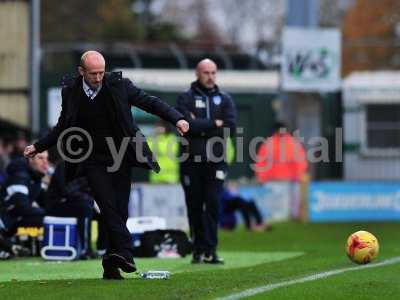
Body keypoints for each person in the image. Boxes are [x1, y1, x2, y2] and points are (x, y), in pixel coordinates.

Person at [24, 51, 189, 279]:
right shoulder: (70, 91)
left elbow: (149, 102)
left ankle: (111, 264)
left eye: (102, 72)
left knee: (120, 210)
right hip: (92, 159)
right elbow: (63, 125)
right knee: (107, 205)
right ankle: (127, 253)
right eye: (93, 73)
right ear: (81, 72)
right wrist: (39, 146)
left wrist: (177, 118)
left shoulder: (119, 85)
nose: (99, 77)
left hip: (120, 154)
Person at [177, 59, 236, 264]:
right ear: (197, 73)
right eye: (206, 72)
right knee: (194, 205)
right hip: (191, 160)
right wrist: (213, 123)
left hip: (216, 161)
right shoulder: (185, 98)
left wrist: (199, 124)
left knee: (212, 204)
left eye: (213, 72)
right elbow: (187, 126)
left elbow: (230, 126)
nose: (210, 76)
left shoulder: (225, 99)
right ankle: (197, 249)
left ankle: (210, 249)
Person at [46, 161, 96, 259]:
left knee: (105, 211)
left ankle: (102, 250)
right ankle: (86, 250)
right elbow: (67, 190)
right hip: (57, 204)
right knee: (85, 208)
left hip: (76, 202)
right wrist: (91, 200)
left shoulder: (90, 165)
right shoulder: (65, 165)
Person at [0, 152, 48, 234]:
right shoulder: (19, 176)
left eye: (46, 158)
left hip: (13, 222)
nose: (45, 162)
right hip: (4, 224)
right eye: (40, 158)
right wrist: (50, 212)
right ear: (30, 159)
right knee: (45, 219)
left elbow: (46, 202)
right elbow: (22, 207)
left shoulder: (35, 178)